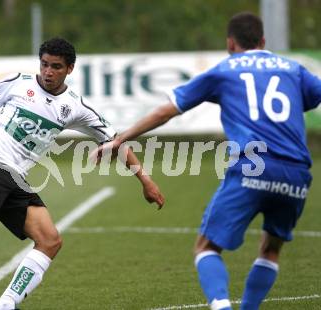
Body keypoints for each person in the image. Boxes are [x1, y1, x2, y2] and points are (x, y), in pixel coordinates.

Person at [0, 37, 165, 309]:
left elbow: (116, 140)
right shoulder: (18, 83)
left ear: (69, 69)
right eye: (45, 64)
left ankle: (5, 305)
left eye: (56, 67)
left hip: (15, 175)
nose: (48, 72)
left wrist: (145, 180)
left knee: (50, 241)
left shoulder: (75, 107)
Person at [92, 12, 321, 310]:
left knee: (206, 248)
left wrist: (121, 138)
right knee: (271, 249)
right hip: (296, 173)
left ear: (230, 43)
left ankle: (221, 306)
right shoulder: (294, 70)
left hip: (253, 167)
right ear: (263, 41)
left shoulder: (224, 71)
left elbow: (167, 111)